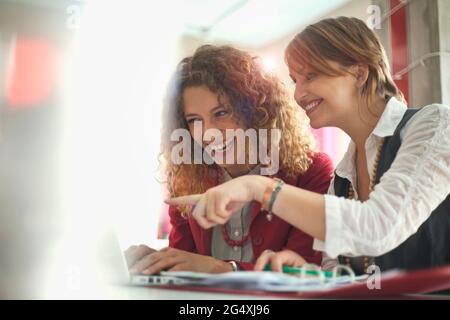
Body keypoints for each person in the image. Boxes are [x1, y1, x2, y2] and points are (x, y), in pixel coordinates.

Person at [166, 18, 450, 275]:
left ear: (360, 73)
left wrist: (258, 187)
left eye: (311, 76)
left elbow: (377, 227)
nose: (298, 94)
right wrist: (307, 272)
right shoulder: (343, 175)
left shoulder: (434, 124)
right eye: (295, 80)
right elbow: (339, 272)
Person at [125, 45, 334, 274]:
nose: (208, 132)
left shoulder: (311, 171)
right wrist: (157, 263)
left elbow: (306, 269)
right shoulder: (188, 178)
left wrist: (223, 269)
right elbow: (184, 267)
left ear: (255, 110)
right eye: (194, 120)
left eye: (221, 113)